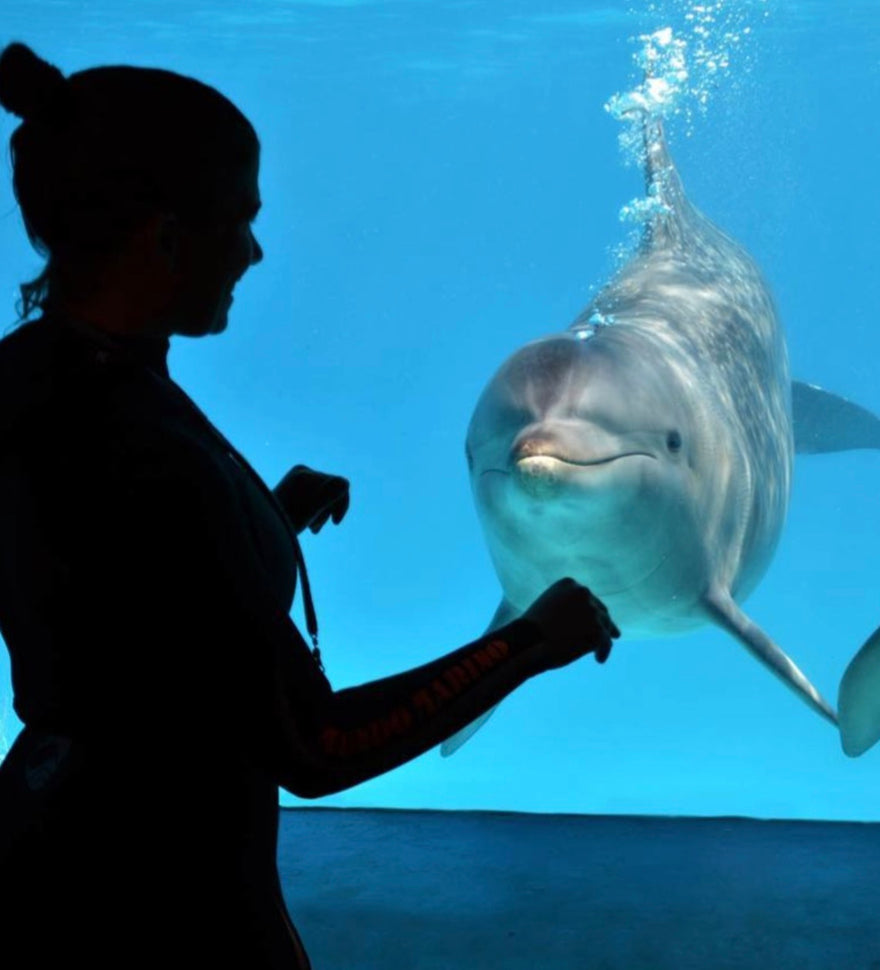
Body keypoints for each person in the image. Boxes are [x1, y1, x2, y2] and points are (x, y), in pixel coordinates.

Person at [0, 42, 619, 967]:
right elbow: (318, 745)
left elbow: (117, 593)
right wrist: (528, 642)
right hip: (163, 898)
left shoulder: (43, 377)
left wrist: (264, 520)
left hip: (47, 837)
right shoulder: (146, 446)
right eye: (238, 221)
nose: (252, 251)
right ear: (163, 235)